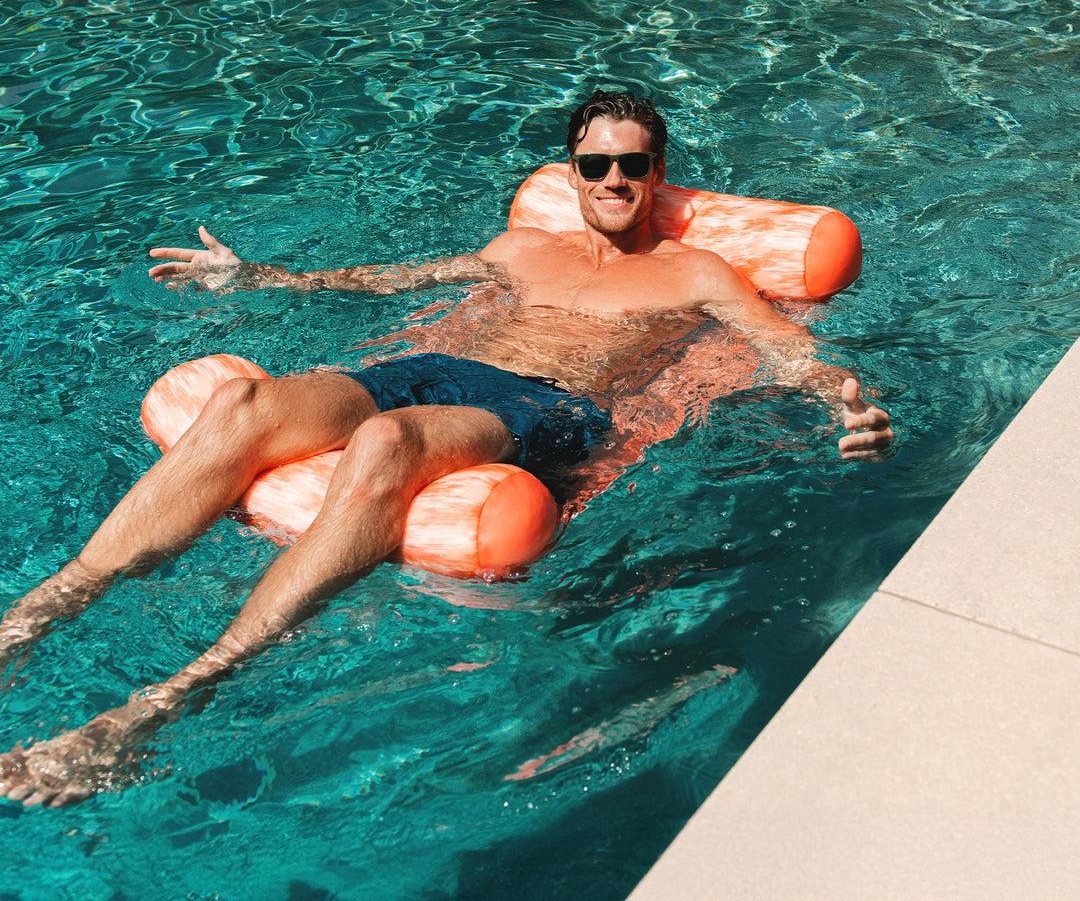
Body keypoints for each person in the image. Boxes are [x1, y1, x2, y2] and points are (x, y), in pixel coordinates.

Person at [0, 91, 893, 807]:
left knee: (390, 440)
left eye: (634, 163)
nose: (615, 178)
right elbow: (396, 278)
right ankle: (29, 622)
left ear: (658, 174)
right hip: (433, 365)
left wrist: (845, 402)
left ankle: (161, 705)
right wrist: (267, 278)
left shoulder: (695, 272)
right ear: (572, 171)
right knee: (240, 402)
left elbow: (788, 348)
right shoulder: (519, 246)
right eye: (596, 162)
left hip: (546, 408)